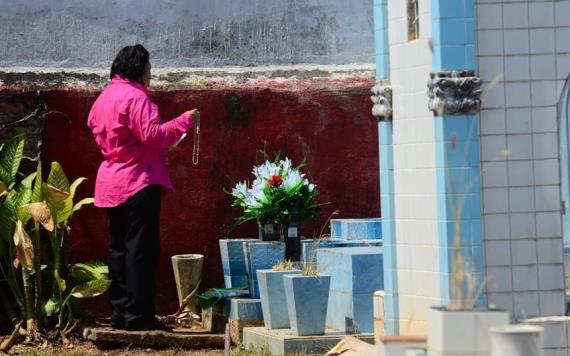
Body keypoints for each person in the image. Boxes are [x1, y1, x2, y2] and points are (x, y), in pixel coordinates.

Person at [87, 44, 199, 331]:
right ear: (140, 69)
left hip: (111, 183)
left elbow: (97, 128)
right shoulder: (136, 98)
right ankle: (139, 317)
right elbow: (153, 135)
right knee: (141, 251)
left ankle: (120, 315)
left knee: (118, 251)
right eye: (149, 67)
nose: (151, 73)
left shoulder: (103, 99)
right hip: (138, 182)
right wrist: (185, 121)